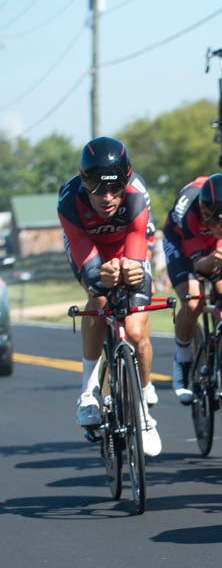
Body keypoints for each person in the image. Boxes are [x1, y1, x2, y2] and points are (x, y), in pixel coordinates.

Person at [57, 136, 162, 456]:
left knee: (134, 329)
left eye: (114, 187)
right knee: (99, 299)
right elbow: (88, 265)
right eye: (98, 188)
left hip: (129, 246)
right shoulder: (69, 201)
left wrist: (132, 271)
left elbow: (136, 250)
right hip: (90, 250)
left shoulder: (135, 196)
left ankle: (143, 406)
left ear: (126, 182)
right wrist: (100, 276)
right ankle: (88, 391)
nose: (106, 197)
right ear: (83, 181)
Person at [162, 173, 222, 411]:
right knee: (193, 301)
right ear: (205, 214)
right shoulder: (187, 210)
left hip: (214, 248)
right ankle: (182, 360)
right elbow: (199, 266)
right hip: (182, 245)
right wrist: (214, 259)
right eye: (216, 223)